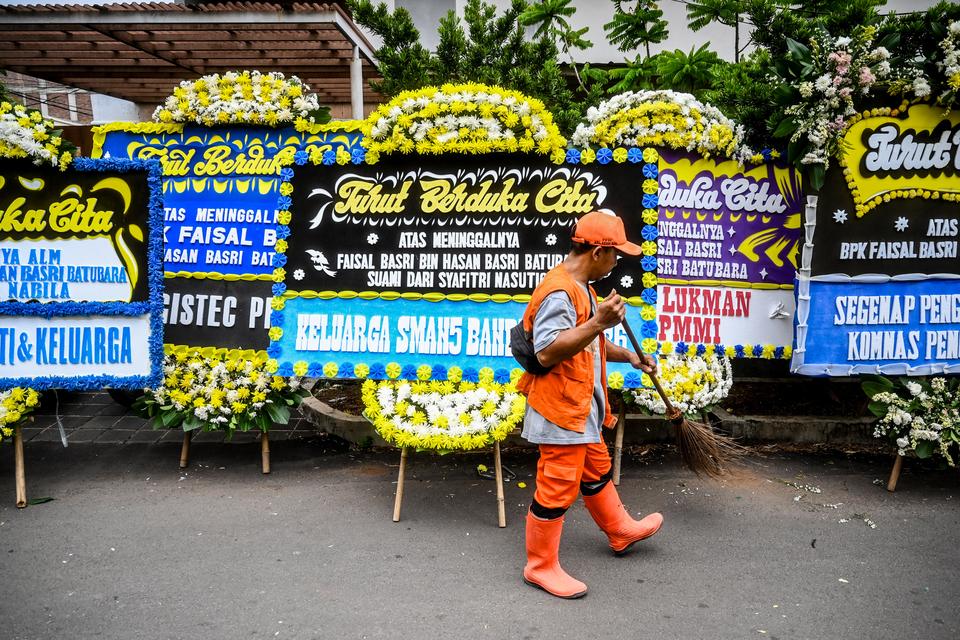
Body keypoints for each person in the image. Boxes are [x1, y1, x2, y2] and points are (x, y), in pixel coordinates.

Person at [516, 209, 662, 599]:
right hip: (562, 409)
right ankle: (540, 566)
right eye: (616, 256)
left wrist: (628, 356)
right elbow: (547, 352)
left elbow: (587, 343)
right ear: (598, 251)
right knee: (557, 488)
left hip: (581, 408)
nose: (616, 264)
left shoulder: (583, 288)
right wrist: (599, 322)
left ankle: (619, 531)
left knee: (596, 469)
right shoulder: (561, 290)